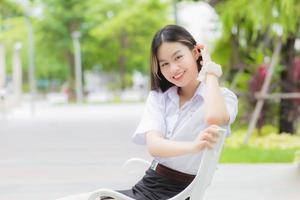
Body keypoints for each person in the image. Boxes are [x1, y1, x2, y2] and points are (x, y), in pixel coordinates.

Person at [102, 24, 238, 200]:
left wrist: (210, 71)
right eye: (164, 64)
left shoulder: (221, 96)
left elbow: (215, 118)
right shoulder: (160, 98)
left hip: (179, 193)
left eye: (178, 57)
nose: (173, 69)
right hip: (151, 185)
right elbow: (154, 146)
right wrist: (193, 146)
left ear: (196, 53)